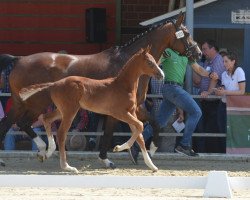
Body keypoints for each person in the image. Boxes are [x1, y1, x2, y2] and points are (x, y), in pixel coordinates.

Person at [151, 48, 218, 157]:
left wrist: (210, 75)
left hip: (173, 88)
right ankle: (184, 145)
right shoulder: (168, 51)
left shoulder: (187, 54)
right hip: (172, 88)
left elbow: (199, 69)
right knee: (196, 112)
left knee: (160, 122)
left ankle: (136, 142)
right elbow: (154, 64)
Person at [198, 39, 226, 153]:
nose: (203, 52)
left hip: (214, 101)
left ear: (213, 49)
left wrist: (208, 93)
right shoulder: (207, 61)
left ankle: (213, 152)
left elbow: (214, 78)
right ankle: (204, 151)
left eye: (205, 49)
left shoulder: (218, 60)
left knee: (212, 128)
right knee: (204, 128)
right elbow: (200, 80)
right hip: (206, 100)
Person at [214, 51, 246, 134]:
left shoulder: (239, 71)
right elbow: (224, 88)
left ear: (233, 61)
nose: (224, 64)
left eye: (226, 61)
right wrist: (220, 90)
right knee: (221, 130)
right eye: (223, 61)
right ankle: (222, 147)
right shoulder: (224, 74)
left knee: (233, 132)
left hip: (235, 106)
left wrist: (225, 92)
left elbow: (242, 92)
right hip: (223, 105)